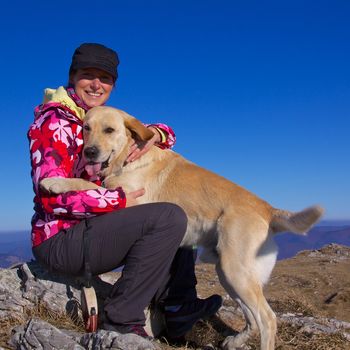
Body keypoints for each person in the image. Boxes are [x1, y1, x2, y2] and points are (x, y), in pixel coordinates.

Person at [28, 43, 222, 339]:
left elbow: (163, 131)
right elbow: (51, 196)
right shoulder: (56, 121)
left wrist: (155, 134)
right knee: (167, 217)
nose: (96, 84)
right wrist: (117, 200)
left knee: (179, 213)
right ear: (72, 76)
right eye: (88, 75)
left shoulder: (96, 117)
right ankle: (121, 320)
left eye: (104, 78)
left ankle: (178, 308)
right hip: (60, 241)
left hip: (91, 229)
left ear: (112, 85)